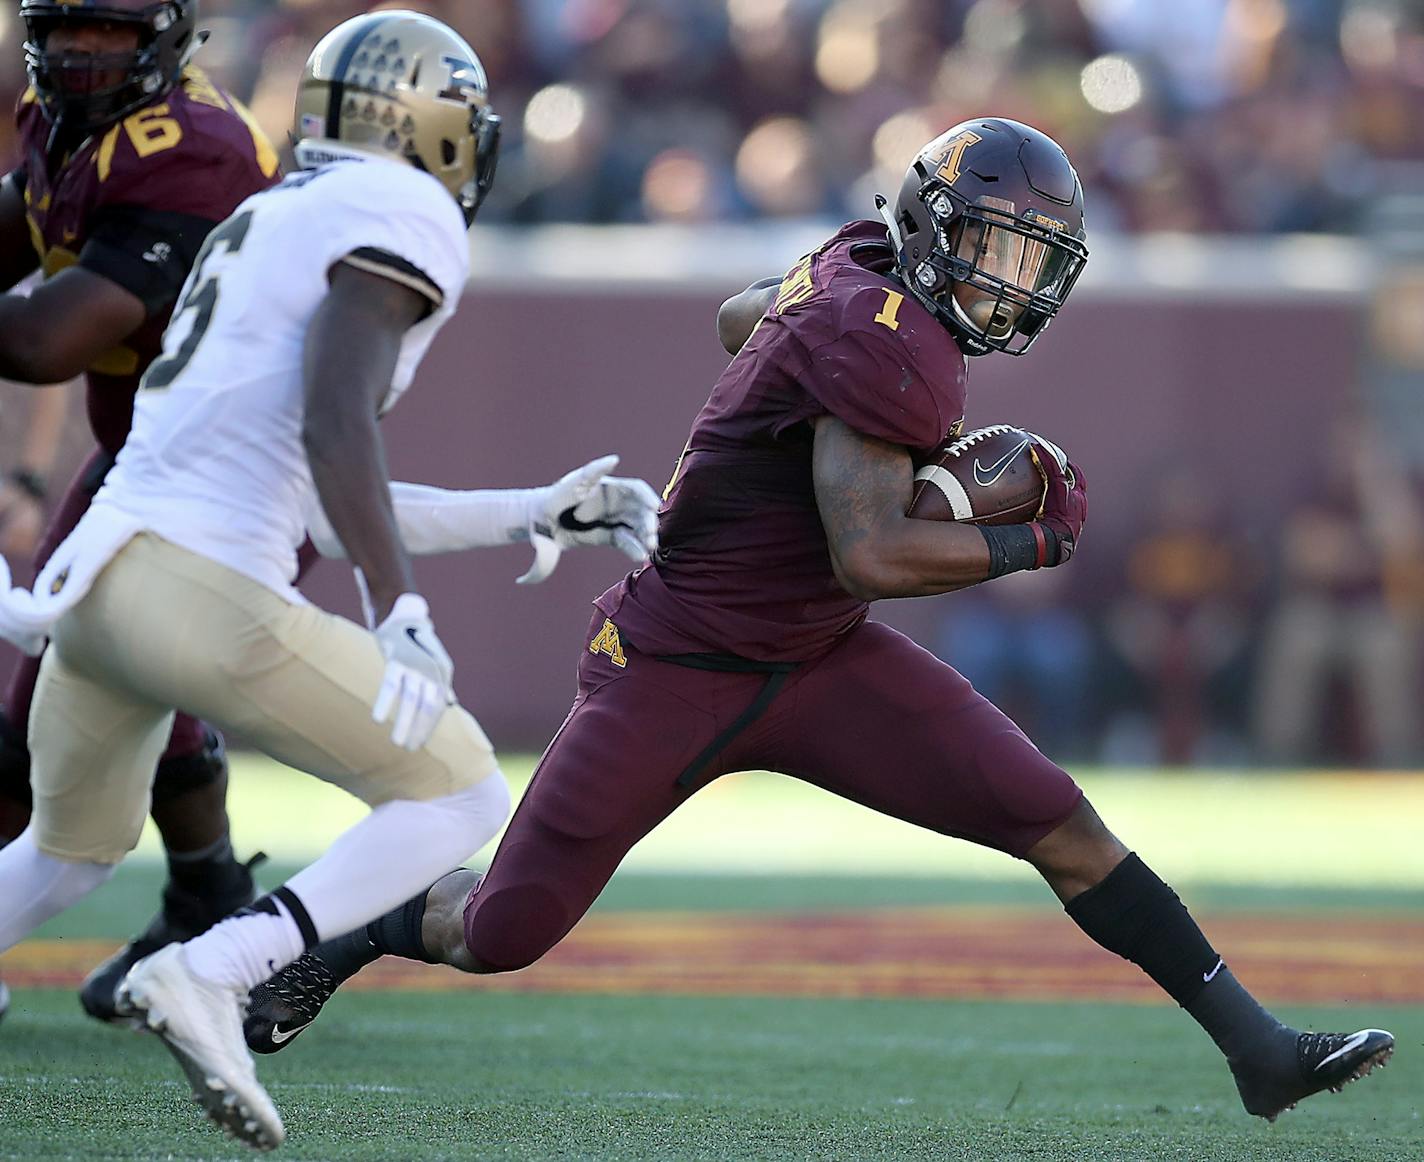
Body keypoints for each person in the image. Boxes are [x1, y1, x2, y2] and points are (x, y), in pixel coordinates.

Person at [244, 117, 1393, 1122]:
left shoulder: (854, 264)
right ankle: (344, 928)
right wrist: (1034, 538)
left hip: (813, 652)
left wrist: (796, 366)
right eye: (993, 249)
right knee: (501, 929)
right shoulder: (882, 332)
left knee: (1055, 818)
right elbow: (874, 551)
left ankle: (1257, 1051)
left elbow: (736, 316)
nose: (1009, 282)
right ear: (936, 230)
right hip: (677, 660)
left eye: (1030, 260)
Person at [0, 9, 657, 1148]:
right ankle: (215, 968)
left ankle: (202, 957)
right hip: (189, 586)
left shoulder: (270, 212)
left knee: (66, 849)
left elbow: (307, 486)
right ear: (436, 130)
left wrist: (525, 513)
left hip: (92, 582)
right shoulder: (398, 208)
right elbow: (332, 422)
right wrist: (396, 607)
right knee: (457, 789)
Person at [0, 0, 285, 1028]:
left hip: (231, 473)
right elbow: (14, 234)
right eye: (63, 25)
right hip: (147, 457)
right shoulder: (64, 116)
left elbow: (40, 341)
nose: (80, 48)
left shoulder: (190, 152)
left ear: (161, 36)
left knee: (42, 730)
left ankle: (265, 922)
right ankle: (208, 892)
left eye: (108, 30)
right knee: (113, 687)